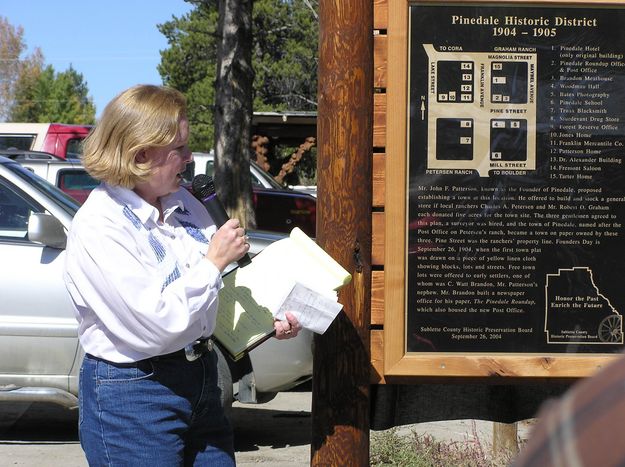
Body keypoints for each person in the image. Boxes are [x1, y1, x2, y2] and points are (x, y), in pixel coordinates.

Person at [63, 84, 301, 466]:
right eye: (180, 149)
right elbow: (157, 323)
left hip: (203, 377)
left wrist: (264, 320)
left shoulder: (185, 202)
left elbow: (212, 293)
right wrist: (213, 262)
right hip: (134, 393)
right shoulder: (100, 225)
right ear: (141, 155)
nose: (190, 160)